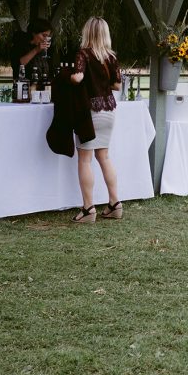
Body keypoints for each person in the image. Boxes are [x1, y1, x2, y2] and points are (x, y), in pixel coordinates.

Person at [69, 17, 124, 223]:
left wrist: (71, 77)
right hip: (109, 110)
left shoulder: (83, 54)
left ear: (87, 33)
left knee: (85, 159)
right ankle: (114, 203)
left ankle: (88, 208)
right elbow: (117, 85)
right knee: (105, 158)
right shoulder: (111, 57)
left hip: (90, 112)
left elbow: (78, 77)